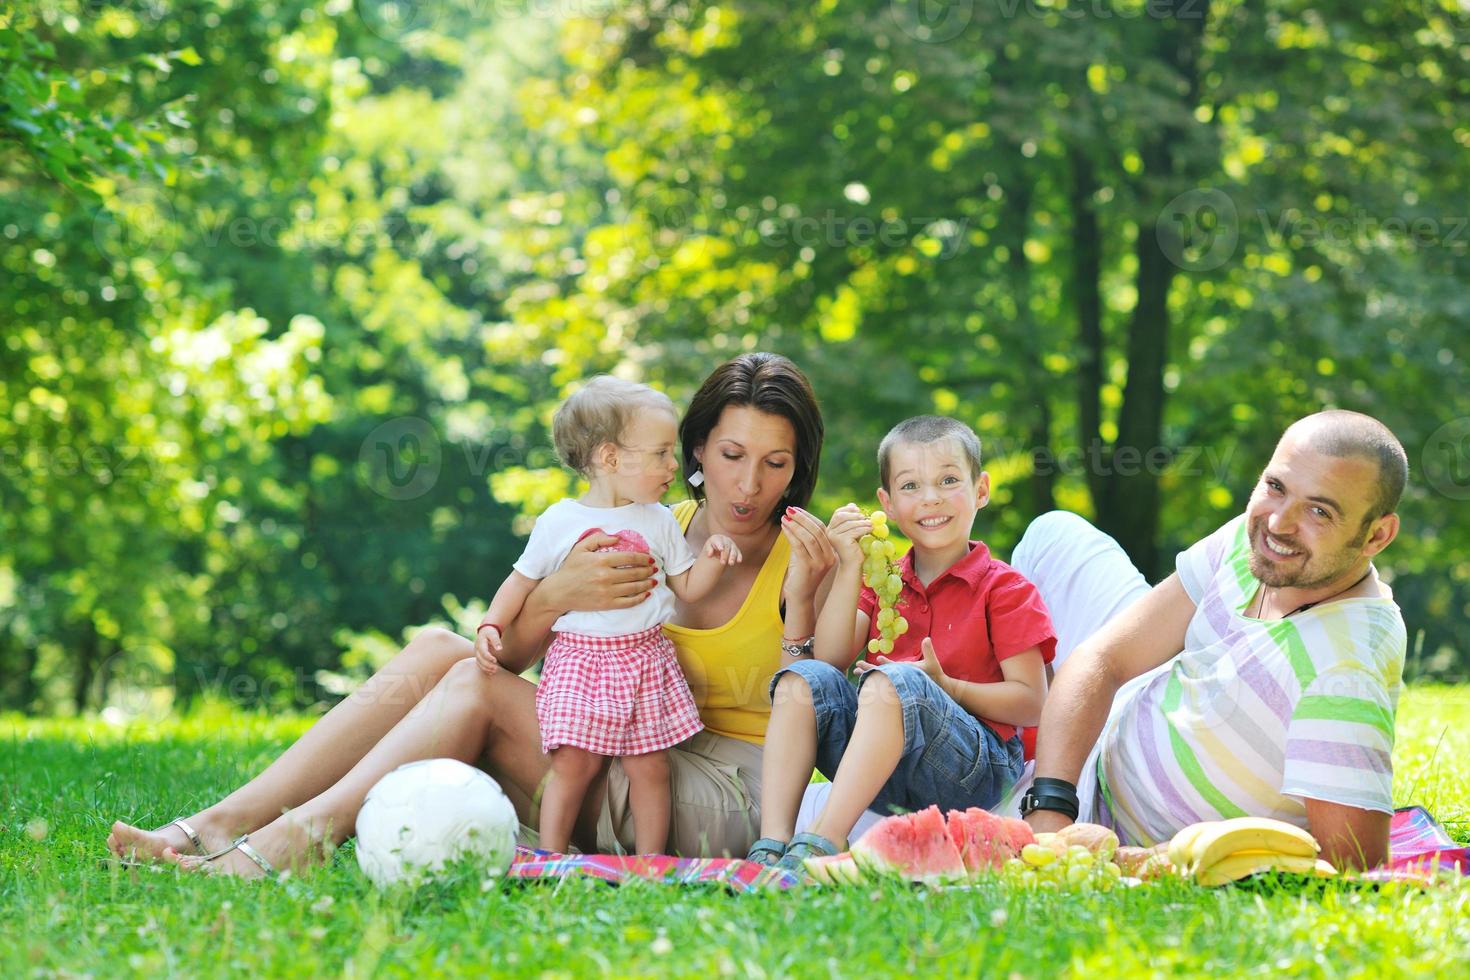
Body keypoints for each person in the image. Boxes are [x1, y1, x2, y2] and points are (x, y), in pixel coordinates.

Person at [105, 353, 837, 876]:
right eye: (733, 454)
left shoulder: (808, 551)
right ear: (697, 450)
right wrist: (554, 596)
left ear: (797, 465)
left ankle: (286, 847)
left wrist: (806, 598)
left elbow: (825, 701)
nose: (749, 483)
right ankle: (216, 825)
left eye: (776, 463)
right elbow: (504, 659)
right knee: (436, 651)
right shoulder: (652, 523)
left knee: (474, 690)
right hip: (614, 748)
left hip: (723, 794)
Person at [1012, 410, 1407, 871]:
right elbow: (1106, 657)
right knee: (1054, 534)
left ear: (1377, 535)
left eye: (1319, 511)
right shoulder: (1252, 538)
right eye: (1275, 487)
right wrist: (1050, 806)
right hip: (1097, 747)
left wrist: (1142, 858)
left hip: (1117, 825)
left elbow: (1353, 865)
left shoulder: (1343, 672)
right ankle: (1011, 732)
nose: (1278, 524)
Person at [746, 416, 1055, 871]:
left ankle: (821, 845)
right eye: (911, 486)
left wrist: (947, 686)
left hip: (974, 770)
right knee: (801, 678)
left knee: (898, 680)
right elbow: (829, 661)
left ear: (981, 490)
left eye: (948, 480)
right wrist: (849, 564)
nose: (930, 497)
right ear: (887, 504)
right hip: (882, 770)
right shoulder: (884, 582)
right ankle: (772, 845)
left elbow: (1032, 703)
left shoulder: (1004, 589)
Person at [476, 376, 744, 855]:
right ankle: (555, 856)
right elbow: (520, 580)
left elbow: (688, 588)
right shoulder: (560, 521)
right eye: (660, 452)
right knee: (573, 765)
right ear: (610, 458)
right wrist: (491, 625)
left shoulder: (659, 519)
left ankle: (649, 861)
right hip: (581, 663)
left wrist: (713, 559)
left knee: (650, 767)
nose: (673, 465)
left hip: (645, 661)